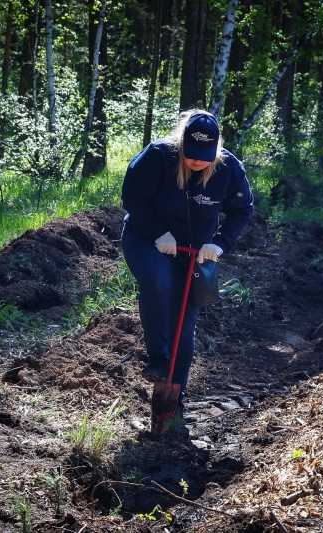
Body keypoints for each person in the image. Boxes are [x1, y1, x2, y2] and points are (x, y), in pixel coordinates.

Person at [121, 109, 253, 422]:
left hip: (195, 252)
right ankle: (158, 358)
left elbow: (242, 210)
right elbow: (133, 198)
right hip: (147, 239)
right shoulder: (157, 157)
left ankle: (172, 403)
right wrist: (157, 232)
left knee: (184, 327)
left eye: (204, 156)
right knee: (157, 279)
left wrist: (220, 244)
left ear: (217, 150)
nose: (197, 161)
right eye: (191, 154)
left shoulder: (229, 169)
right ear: (182, 143)